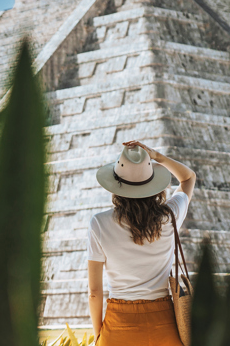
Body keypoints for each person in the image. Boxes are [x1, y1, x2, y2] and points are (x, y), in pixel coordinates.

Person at [88, 140, 196, 345]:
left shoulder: (99, 224)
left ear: (115, 185)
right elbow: (188, 178)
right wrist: (157, 157)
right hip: (164, 326)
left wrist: (99, 335)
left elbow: (94, 293)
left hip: (118, 326)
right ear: (153, 184)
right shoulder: (170, 216)